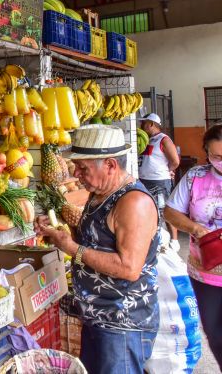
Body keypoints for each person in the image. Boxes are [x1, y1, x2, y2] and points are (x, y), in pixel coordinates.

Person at [36, 125, 160, 374]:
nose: (78, 175)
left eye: (84, 168)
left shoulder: (134, 203)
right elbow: (93, 242)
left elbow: (129, 268)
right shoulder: (98, 194)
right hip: (97, 318)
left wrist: (71, 248)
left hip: (122, 322)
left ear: (111, 165)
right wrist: (58, 234)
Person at [163, 124, 222, 369]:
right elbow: (170, 211)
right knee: (216, 335)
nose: (221, 161)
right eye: (216, 156)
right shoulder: (196, 177)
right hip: (205, 275)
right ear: (206, 153)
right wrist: (195, 228)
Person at [138, 113, 180, 247]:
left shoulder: (164, 139)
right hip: (144, 181)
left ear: (151, 124)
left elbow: (175, 161)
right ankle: (156, 240)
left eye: (143, 123)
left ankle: (174, 241)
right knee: (149, 210)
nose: (141, 125)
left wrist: (167, 171)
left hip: (159, 182)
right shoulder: (146, 139)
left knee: (165, 211)